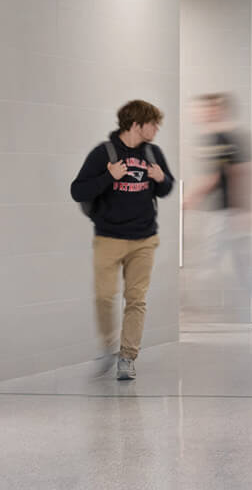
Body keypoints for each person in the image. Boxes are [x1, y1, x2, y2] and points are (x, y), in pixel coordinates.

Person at [69, 99, 175, 381]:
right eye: (153, 124)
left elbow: (165, 189)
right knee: (104, 296)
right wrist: (108, 176)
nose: (156, 129)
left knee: (136, 299)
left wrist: (162, 178)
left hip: (144, 239)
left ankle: (127, 357)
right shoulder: (103, 154)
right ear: (136, 125)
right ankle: (107, 347)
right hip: (108, 238)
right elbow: (77, 191)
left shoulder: (153, 153)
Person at [183, 93, 252, 330]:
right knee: (247, 268)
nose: (199, 114)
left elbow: (217, 177)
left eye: (205, 109)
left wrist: (188, 200)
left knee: (204, 264)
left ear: (216, 111)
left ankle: (188, 312)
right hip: (236, 213)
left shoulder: (219, 138)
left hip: (227, 215)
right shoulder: (235, 137)